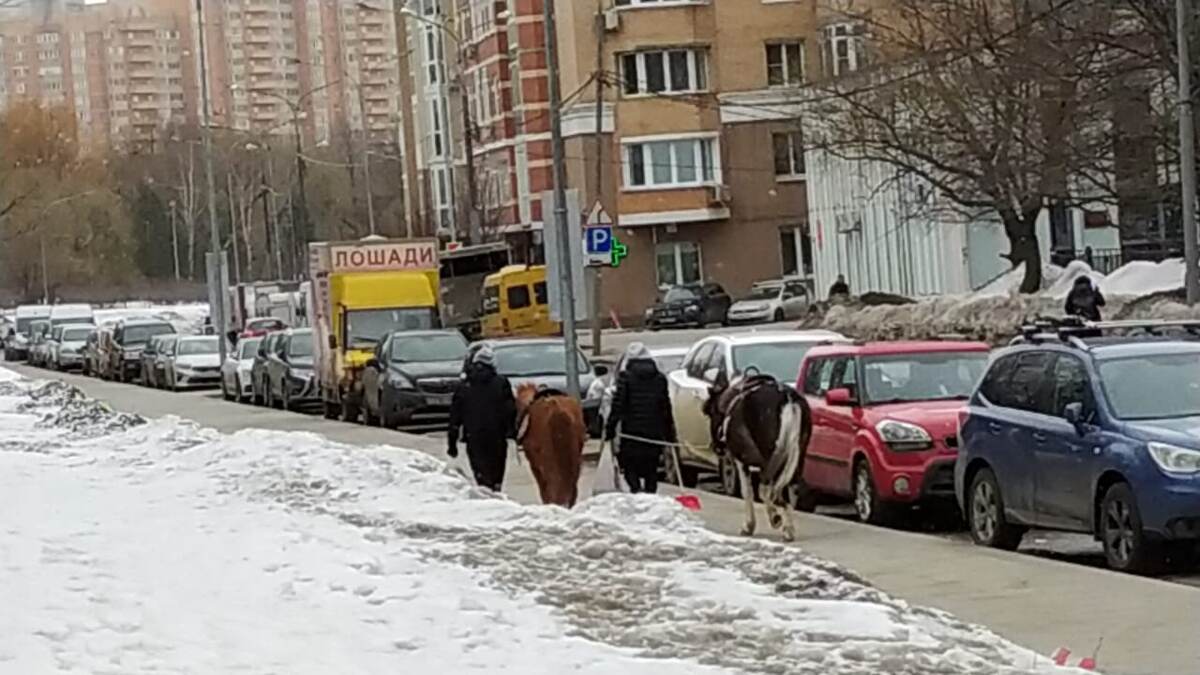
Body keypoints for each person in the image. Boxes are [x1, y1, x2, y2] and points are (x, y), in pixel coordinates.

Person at [605, 342, 677, 494]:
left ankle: (636, 490)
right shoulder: (659, 379)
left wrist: (610, 427)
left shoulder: (626, 378)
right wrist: (669, 432)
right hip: (653, 433)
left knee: (630, 465)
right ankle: (650, 495)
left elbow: (618, 405)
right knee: (651, 467)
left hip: (631, 433)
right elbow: (665, 407)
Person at [448, 346, 515, 492]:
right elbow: (509, 410)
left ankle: (484, 491)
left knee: (481, 474)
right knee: (496, 474)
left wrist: (452, 443)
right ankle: (495, 490)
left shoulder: (464, 386)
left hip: (474, 437)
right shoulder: (501, 383)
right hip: (496, 437)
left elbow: (455, 416)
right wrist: (512, 432)